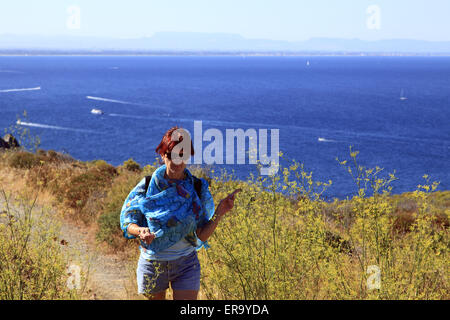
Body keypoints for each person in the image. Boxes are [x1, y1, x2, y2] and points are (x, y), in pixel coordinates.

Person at [120, 126, 241, 300]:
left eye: (182, 155)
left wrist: (220, 212)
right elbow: (127, 221)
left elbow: (201, 235)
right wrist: (140, 231)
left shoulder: (197, 188)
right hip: (153, 263)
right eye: (171, 155)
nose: (176, 161)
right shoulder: (147, 186)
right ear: (163, 155)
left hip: (186, 263)